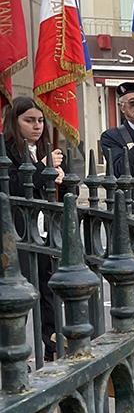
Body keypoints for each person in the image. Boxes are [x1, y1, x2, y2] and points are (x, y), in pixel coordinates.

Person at [2, 97, 62, 360]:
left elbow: (60, 190)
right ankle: (12, 355)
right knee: (19, 296)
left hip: (44, 231)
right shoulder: (4, 149)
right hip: (17, 234)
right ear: (14, 122)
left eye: (40, 120)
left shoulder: (48, 148)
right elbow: (13, 187)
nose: (37, 126)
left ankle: (51, 347)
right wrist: (43, 167)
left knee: (47, 290)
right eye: (29, 120)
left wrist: (60, 178)